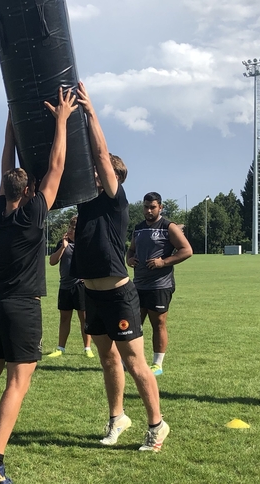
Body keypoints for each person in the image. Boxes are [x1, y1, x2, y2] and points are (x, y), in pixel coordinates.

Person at [0, 87, 76, 484]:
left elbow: (6, 162)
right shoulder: (34, 213)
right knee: (18, 382)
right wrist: (61, 119)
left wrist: (12, 124)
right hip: (22, 306)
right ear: (28, 191)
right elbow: (57, 164)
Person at [71, 83, 169, 452]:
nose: (93, 173)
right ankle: (117, 419)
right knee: (108, 360)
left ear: (113, 177)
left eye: (100, 171)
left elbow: (97, 152)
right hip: (91, 293)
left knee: (134, 363)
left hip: (118, 294)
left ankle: (157, 425)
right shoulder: (85, 201)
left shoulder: (115, 199)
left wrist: (90, 112)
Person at [126, 192, 193, 376]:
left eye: (152, 207)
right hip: (138, 284)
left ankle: (157, 364)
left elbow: (186, 250)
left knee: (158, 324)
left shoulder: (168, 227)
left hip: (160, 285)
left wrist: (163, 262)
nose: (148, 210)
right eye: (146, 207)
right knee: (134, 323)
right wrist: (130, 259)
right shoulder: (138, 228)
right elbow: (130, 250)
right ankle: (133, 360)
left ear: (160, 207)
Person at [47, 215, 93, 359]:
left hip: (80, 286)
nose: (71, 231)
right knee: (64, 318)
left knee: (84, 318)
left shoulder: (85, 243)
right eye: (70, 228)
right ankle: (61, 348)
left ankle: (87, 348)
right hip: (65, 286)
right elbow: (52, 262)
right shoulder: (62, 243)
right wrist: (63, 247)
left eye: (74, 228)